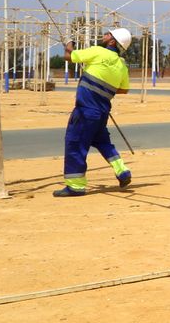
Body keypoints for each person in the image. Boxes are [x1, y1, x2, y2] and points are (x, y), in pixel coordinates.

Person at [55, 28, 133, 197]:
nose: (105, 35)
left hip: (85, 111)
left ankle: (75, 186)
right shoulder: (121, 65)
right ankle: (122, 171)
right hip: (102, 112)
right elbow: (123, 89)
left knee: (75, 143)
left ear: (112, 41)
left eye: (108, 34)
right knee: (103, 142)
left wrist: (69, 43)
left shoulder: (97, 52)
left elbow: (69, 56)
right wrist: (103, 90)